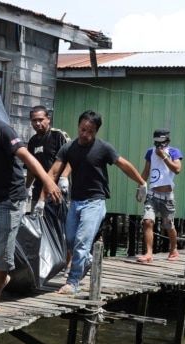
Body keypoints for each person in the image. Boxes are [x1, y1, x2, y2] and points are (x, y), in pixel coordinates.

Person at [0, 88, 61, 314]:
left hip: (9, 200)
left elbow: (28, 157)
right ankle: (2, 277)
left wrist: (48, 181)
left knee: (1, 251)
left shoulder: (2, 130)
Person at [48, 110, 147, 294]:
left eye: (90, 131)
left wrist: (141, 182)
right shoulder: (69, 148)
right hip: (75, 202)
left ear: (96, 131)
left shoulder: (103, 148)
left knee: (81, 242)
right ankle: (88, 261)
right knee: (69, 241)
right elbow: (53, 172)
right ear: (78, 126)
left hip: (95, 202)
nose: (85, 134)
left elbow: (123, 164)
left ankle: (73, 282)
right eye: (83, 129)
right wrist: (42, 196)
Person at [24, 105, 73, 276]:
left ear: (48, 119)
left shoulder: (58, 136)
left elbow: (71, 159)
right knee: (41, 228)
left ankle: (69, 264)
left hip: (58, 190)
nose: (37, 123)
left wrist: (64, 178)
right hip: (39, 192)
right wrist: (25, 189)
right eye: (34, 120)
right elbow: (31, 168)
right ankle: (50, 264)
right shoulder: (33, 142)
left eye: (40, 120)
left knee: (63, 227)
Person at [137, 129, 183, 263]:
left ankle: (174, 248)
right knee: (148, 221)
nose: (159, 146)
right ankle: (149, 253)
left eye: (161, 143)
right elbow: (146, 171)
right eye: (157, 143)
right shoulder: (150, 152)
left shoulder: (174, 152)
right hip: (152, 195)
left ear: (167, 141)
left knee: (168, 225)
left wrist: (164, 156)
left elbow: (177, 169)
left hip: (167, 197)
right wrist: (140, 187)